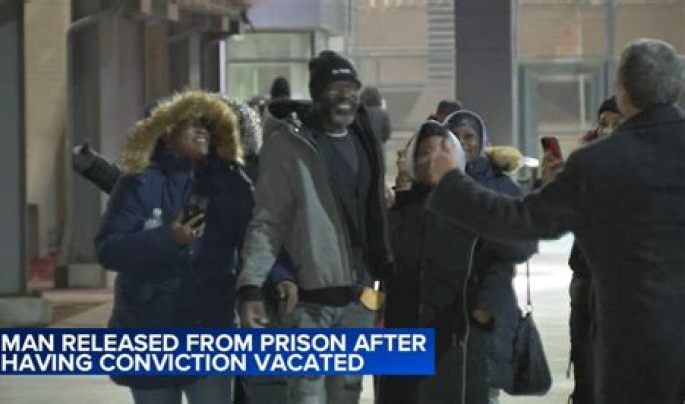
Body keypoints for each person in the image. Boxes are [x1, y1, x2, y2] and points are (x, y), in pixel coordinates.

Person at [425, 38, 685, 404]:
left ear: (622, 92)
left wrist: (451, 181)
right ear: (677, 87)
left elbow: (519, 221)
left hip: (634, 347)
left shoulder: (597, 163)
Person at [237, 50, 394, 404]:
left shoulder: (365, 139)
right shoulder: (289, 146)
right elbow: (268, 220)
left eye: (351, 89)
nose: (345, 97)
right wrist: (251, 286)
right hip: (309, 304)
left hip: (360, 299)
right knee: (307, 398)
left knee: (346, 396)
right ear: (317, 94)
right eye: (335, 89)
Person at [95, 90, 253, 404]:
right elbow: (109, 249)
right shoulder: (138, 183)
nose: (201, 130)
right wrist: (169, 239)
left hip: (211, 330)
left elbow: (255, 239)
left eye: (206, 124)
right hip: (149, 331)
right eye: (191, 123)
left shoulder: (231, 181)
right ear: (167, 133)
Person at [379, 121, 485, 404]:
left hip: (448, 329)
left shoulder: (469, 208)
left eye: (440, 153)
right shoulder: (396, 206)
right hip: (400, 326)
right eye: (424, 153)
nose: (430, 161)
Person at [444, 111, 538, 404]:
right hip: (441, 309)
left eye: (469, 136)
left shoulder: (501, 186)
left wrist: (486, 305)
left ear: (482, 141)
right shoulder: (433, 183)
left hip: (485, 308)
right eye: (455, 136)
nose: (462, 142)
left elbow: (522, 247)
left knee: (481, 390)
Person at [539, 96, 623, 404]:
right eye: (603, 124)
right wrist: (550, 186)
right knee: (587, 370)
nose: (608, 130)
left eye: (617, 124)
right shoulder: (584, 167)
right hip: (585, 283)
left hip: (627, 289)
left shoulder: (649, 169)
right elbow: (550, 221)